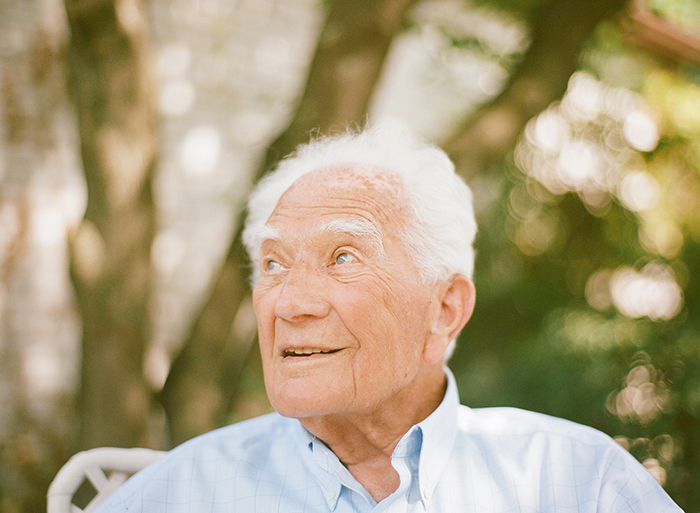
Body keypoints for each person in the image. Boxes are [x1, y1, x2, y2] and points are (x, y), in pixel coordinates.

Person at [96, 126, 682, 512]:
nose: (290, 302)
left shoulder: (577, 482)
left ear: (444, 310)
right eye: (273, 263)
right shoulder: (181, 492)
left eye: (343, 257)